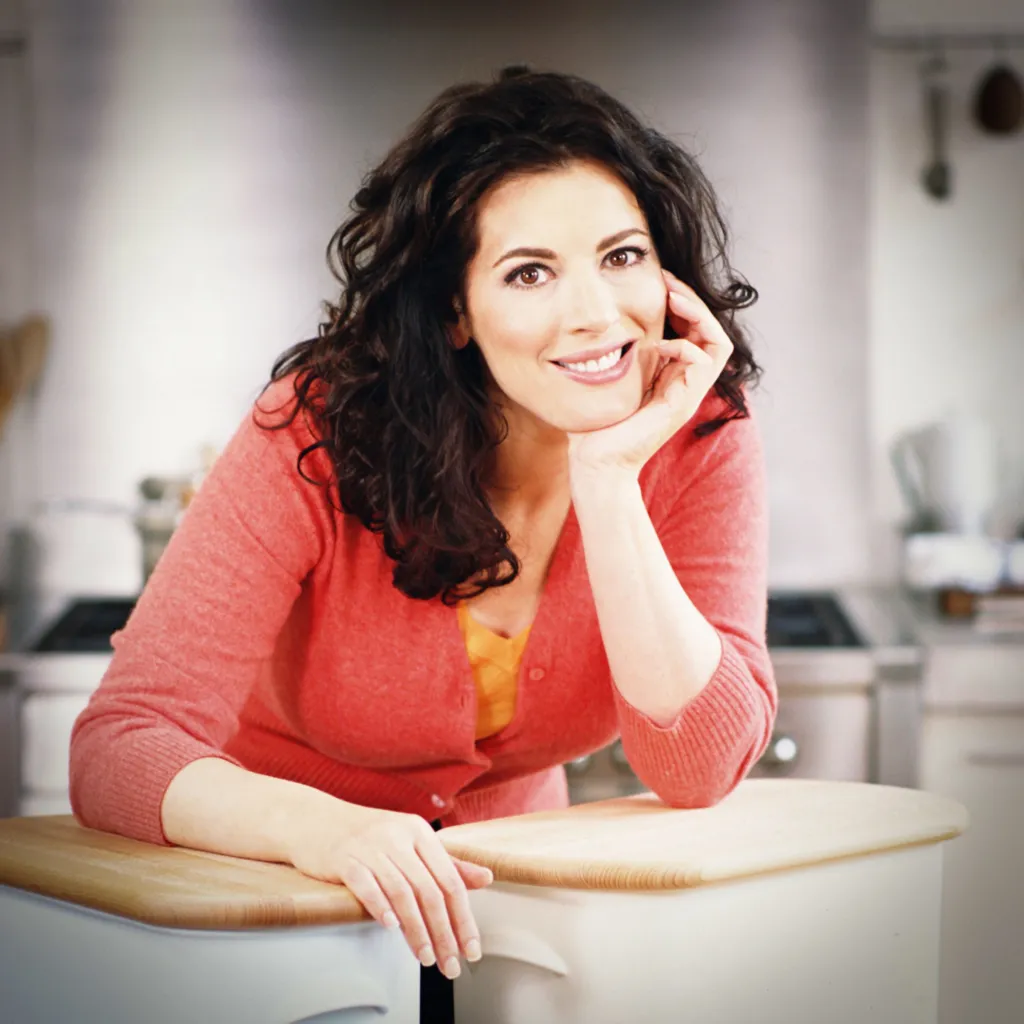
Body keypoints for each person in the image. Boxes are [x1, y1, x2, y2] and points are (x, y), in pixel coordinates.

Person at [69, 65, 777, 1023]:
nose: (596, 313)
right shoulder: (316, 428)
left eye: (623, 256)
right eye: (530, 273)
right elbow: (119, 746)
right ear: (455, 311)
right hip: (282, 909)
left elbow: (697, 770)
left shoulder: (697, 435)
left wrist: (608, 476)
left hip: (511, 921)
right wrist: (325, 831)